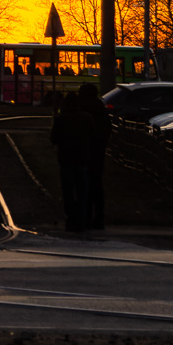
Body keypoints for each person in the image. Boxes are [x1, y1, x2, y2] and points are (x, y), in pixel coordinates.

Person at [49, 91, 94, 233]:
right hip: (82, 159)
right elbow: (93, 136)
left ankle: (70, 217)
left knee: (68, 190)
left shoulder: (61, 119)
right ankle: (81, 218)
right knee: (82, 191)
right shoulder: (87, 118)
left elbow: (54, 139)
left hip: (66, 159)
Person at [78, 82, 112, 230]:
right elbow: (107, 130)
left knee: (82, 184)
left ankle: (85, 215)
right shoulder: (101, 109)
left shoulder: (82, 110)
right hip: (98, 152)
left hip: (84, 152)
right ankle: (98, 217)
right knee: (96, 184)